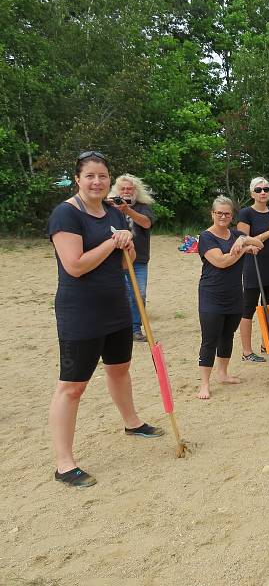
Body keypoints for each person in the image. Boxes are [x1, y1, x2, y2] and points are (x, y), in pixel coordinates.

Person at [48, 151, 164, 488]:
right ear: (78, 178)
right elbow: (76, 265)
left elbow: (125, 258)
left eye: (102, 176)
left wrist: (125, 242)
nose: (97, 182)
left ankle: (132, 422)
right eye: (90, 176)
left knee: (120, 369)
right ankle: (64, 463)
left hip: (115, 307)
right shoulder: (66, 215)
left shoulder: (113, 212)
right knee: (72, 387)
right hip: (80, 311)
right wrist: (113, 241)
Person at [196, 196, 263, 399]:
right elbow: (222, 262)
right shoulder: (206, 237)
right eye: (219, 213)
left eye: (227, 213)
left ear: (232, 215)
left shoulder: (236, 234)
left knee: (227, 335)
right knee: (210, 339)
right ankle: (204, 384)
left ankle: (223, 373)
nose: (223, 216)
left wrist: (243, 240)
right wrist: (243, 250)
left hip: (235, 293)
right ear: (213, 214)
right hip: (212, 294)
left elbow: (259, 243)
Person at [236, 177, 269, 362]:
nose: (263, 192)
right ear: (252, 193)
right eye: (258, 190)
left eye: (266, 189)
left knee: (268, 307)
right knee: (248, 308)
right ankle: (247, 352)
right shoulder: (246, 213)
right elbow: (243, 240)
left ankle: (267, 342)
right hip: (252, 265)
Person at [109, 174, 155, 342]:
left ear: (136, 190)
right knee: (119, 293)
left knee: (139, 294)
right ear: (117, 190)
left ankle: (135, 328)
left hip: (139, 259)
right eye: (123, 189)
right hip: (114, 258)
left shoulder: (143, 207)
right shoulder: (109, 206)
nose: (127, 191)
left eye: (130, 188)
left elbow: (146, 223)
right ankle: (120, 327)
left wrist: (127, 210)